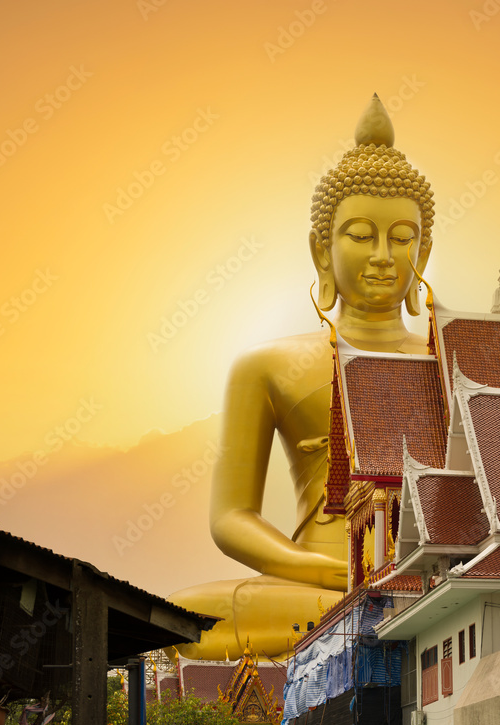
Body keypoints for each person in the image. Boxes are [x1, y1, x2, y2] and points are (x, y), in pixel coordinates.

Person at [168, 96, 435, 660]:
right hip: (315, 582)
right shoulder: (264, 366)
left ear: (424, 251)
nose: (384, 256)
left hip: (424, 573)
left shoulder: (449, 361)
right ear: (321, 249)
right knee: (186, 618)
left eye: (403, 236)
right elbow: (231, 518)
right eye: (361, 235)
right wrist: (328, 569)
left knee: (428, 599)